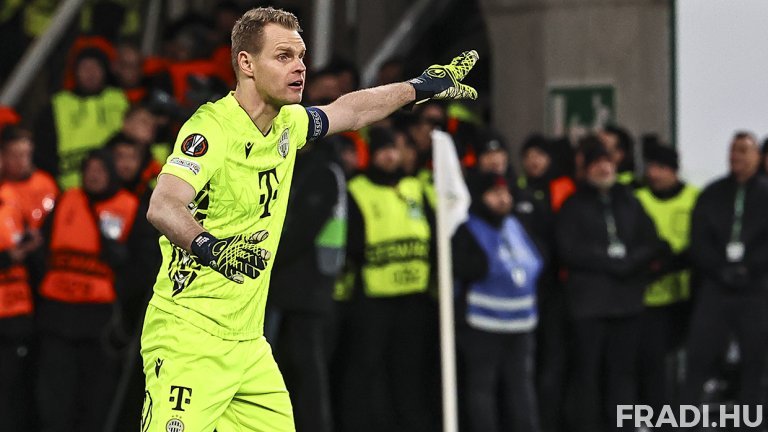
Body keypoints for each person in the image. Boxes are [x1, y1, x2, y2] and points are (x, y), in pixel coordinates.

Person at [140, 6, 478, 431]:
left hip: (248, 346)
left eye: (301, 56)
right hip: (189, 338)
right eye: (284, 56)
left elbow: (352, 111)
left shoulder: (288, 124)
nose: (299, 67)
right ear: (246, 63)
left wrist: (417, 87)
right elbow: (163, 204)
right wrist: (211, 247)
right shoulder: (211, 129)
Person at [556, 136, 666, 432]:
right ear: (586, 169)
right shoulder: (573, 205)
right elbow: (568, 249)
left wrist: (629, 262)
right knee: (587, 374)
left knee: (623, 374)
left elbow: (652, 242)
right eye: (596, 163)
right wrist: (608, 261)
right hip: (589, 306)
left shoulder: (630, 202)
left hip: (627, 304)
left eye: (607, 162)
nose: (604, 168)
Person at [337, 127, 434, 432]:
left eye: (393, 149)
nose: (389, 156)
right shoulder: (357, 189)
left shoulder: (414, 187)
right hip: (373, 296)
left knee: (408, 370)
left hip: (413, 296)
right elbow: (351, 241)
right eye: (382, 150)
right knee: (366, 369)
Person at [36, 150, 140, 432]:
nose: (93, 176)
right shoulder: (66, 199)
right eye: (89, 170)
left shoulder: (129, 206)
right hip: (56, 315)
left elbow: (140, 265)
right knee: (54, 397)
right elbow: (42, 250)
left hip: (99, 322)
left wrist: (118, 290)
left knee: (94, 398)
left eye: (100, 170)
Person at [267, 135, 350, 432]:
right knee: (297, 371)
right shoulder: (318, 168)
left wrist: (264, 258)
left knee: (305, 372)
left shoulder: (320, 171)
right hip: (301, 285)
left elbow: (302, 230)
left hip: (305, 286)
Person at [683, 131, 768, 413]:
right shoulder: (712, 193)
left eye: (743, 150)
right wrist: (720, 269)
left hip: (755, 289)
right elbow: (698, 239)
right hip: (715, 287)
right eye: (733, 150)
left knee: (755, 362)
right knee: (698, 359)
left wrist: (748, 268)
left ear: (757, 156)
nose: (736, 156)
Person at [452, 171, 543, 432]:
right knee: (482, 389)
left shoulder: (514, 225)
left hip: (521, 323)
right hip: (482, 324)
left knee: (521, 388)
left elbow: (536, 260)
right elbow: (466, 267)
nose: (503, 199)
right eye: (494, 193)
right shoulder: (467, 229)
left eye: (505, 193)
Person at [634, 143, 698, 425]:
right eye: (651, 167)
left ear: (674, 170)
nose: (655, 174)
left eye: (661, 168)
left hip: (685, 294)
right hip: (649, 298)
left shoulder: (695, 198)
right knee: (653, 364)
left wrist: (676, 262)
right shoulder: (637, 199)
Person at [34, 47, 129, 189]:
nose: (90, 73)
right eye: (85, 68)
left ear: (104, 71)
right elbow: (43, 150)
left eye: (95, 67)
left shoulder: (119, 100)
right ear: (75, 72)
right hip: (68, 187)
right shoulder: (58, 104)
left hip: (114, 187)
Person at [0, 150, 43, 432]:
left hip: (16, 312)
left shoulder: (12, 200)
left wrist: (29, 247)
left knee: (14, 390)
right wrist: (8, 258)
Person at [1, 126, 58, 230]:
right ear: (3, 156)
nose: (22, 161)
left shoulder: (46, 183)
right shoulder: (3, 190)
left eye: (26, 155)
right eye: (15, 155)